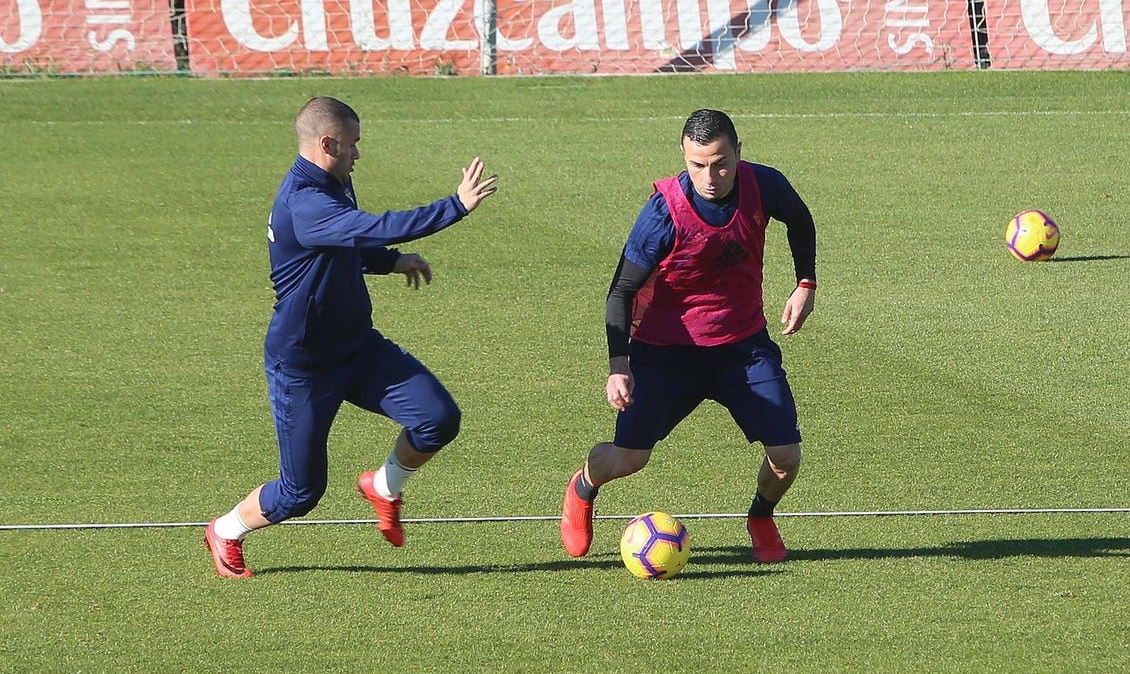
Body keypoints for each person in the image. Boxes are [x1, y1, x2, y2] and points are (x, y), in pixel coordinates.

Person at [205, 96, 498, 578]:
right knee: (301, 493)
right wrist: (455, 207)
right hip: (304, 367)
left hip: (357, 349)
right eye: (353, 145)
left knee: (438, 419)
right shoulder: (306, 202)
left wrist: (390, 260)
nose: (358, 154)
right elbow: (372, 227)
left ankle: (384, 486)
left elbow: (348, 247)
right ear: (328, 143)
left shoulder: (335, 184)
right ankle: (227, 529)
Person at [559, 109, 816, 563]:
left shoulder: (765, 185)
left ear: (739, 152)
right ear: (684, 156)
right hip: (665, 353)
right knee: (628, 459)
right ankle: (582, 487)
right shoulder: (662, 213)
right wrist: (619, 366)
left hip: (742, 347)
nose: (710, 176)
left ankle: (760, 516)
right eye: (698, 165)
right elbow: (620, 291)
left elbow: (800, 219)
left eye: (720, 162)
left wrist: (805, 284)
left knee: (787, 454)